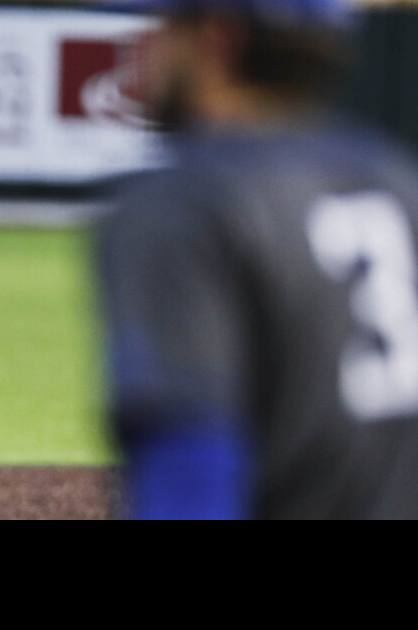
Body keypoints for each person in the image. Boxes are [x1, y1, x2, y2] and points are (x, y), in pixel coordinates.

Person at [95, 0, 418, 519]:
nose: (147, 50)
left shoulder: (185, 204)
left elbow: (188, 471)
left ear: (220, 38)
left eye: (166, 27)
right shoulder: (396, 181)